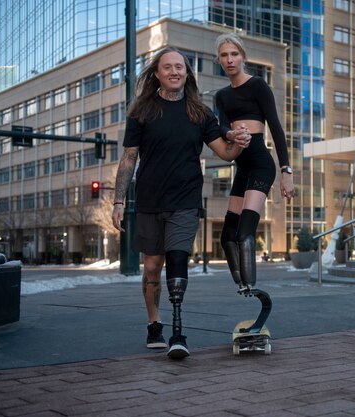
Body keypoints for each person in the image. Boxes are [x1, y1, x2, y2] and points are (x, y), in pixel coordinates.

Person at [112, 47, 250, 359]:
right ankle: (153, 323)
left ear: (187, 74)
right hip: (149, 200)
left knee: (177, 259)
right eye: (168, 67)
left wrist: (239, 143)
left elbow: (225, 153)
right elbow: (128, 158)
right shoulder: (141, 112)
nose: (175, 71)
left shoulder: (200, 114)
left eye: (180, 67)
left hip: (186, 200)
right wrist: (118, 200)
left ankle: (177, 330)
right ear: (157, 73)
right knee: (152, 267)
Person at [214, 33, 295, 297]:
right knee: (228, 236)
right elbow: (222, 125)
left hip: (261, 164)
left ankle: (251, 286)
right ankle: (242, 287)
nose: (229, 59)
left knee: (245, 234)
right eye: (224, 55)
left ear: (243, 56)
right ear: (219, 59)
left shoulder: (258, 86)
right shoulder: (222, 96)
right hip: (242, 167)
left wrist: (286, 171)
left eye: (234, 54)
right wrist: (230, 134)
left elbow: (276, 127)